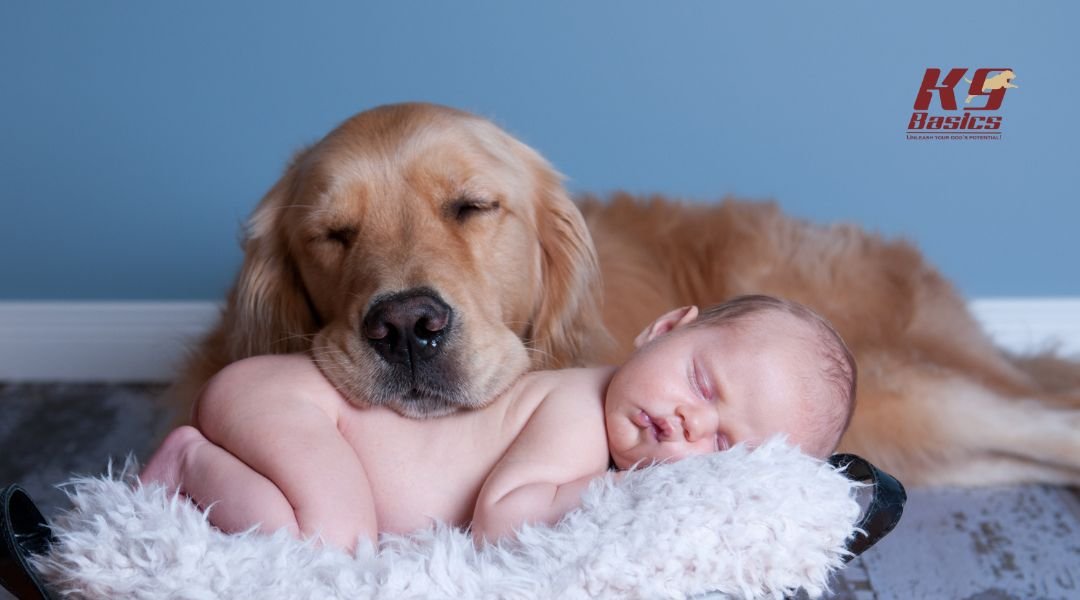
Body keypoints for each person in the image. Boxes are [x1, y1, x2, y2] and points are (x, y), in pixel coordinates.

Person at [141, 294, 857, 551]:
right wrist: (630, 494)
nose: (685, 421)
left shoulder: (612, 431)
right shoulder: (579, 410)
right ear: (664, 328)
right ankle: (185, 463)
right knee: (335, 542)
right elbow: (503, 518)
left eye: (722, 444)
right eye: (701, 381)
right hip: (300, 405)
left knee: (308, 532)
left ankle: (203, 471)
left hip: (298, 417)